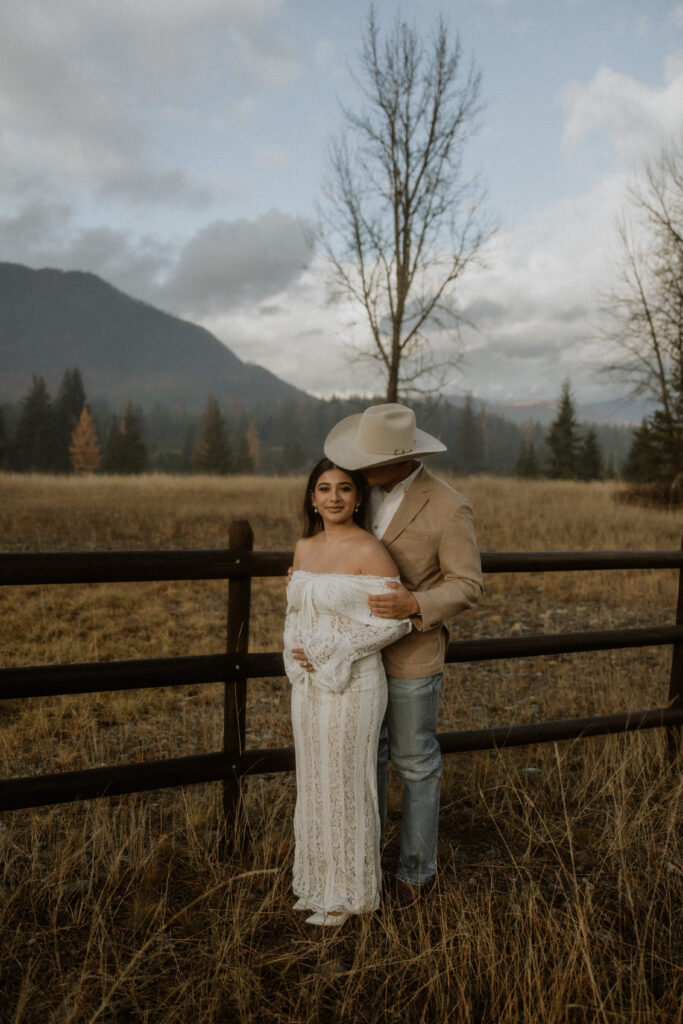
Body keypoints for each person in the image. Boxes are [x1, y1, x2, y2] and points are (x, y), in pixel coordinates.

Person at [324, 403, 483, 900]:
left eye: (370, 459)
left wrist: (416, 601)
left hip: (412, 658)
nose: (359, 467)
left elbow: (469, 585)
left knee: (415, 764)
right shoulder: (359, 494)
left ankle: (416, 874)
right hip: (355, 655)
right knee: (363, 758)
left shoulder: (448, 505)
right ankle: (361, 866)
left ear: (403, 458)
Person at [283, 457, 411, 927]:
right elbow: (295, 613)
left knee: (345, 782)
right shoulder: (303, 547)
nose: (333, 497)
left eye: (344, 489)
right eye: (324, 489)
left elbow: (394, 620)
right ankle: (317, 886)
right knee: (313, 780)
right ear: (312, 499)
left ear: (358, 498)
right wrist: (294, 652)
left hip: (354, 682)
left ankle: (349, 893)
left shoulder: (370, 550)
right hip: (308, 683)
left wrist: (330, 650)